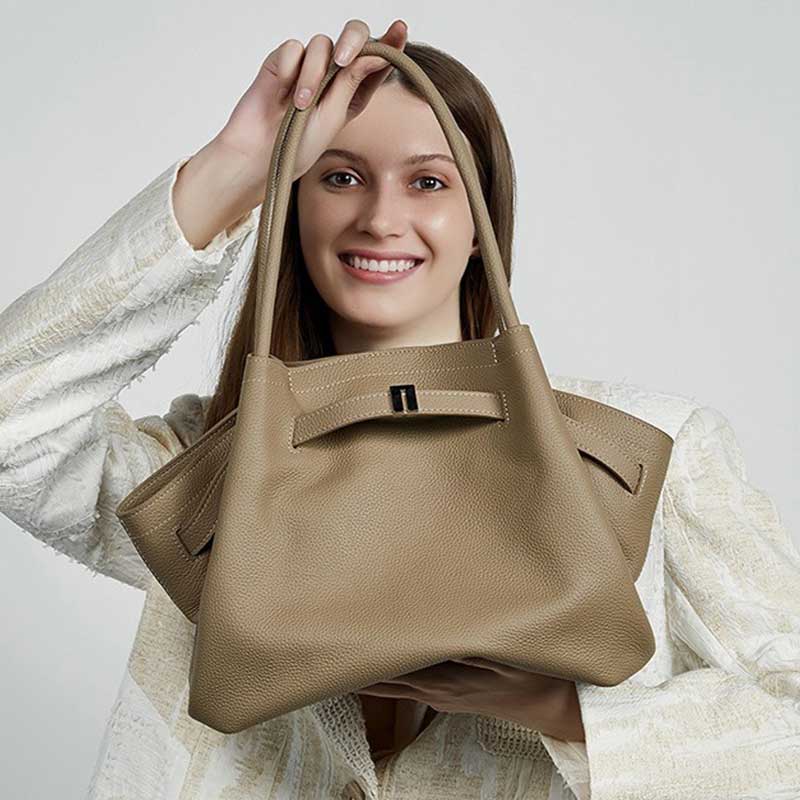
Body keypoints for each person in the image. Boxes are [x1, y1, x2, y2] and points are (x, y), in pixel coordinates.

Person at [1, 17, 798, 800]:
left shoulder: (636, 452)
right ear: (294, 203)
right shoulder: (208, 469)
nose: (380, 217)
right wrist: (236, 168)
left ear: (480, 219)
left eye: (429, 181)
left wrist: (566, 713)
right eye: (339, 176)